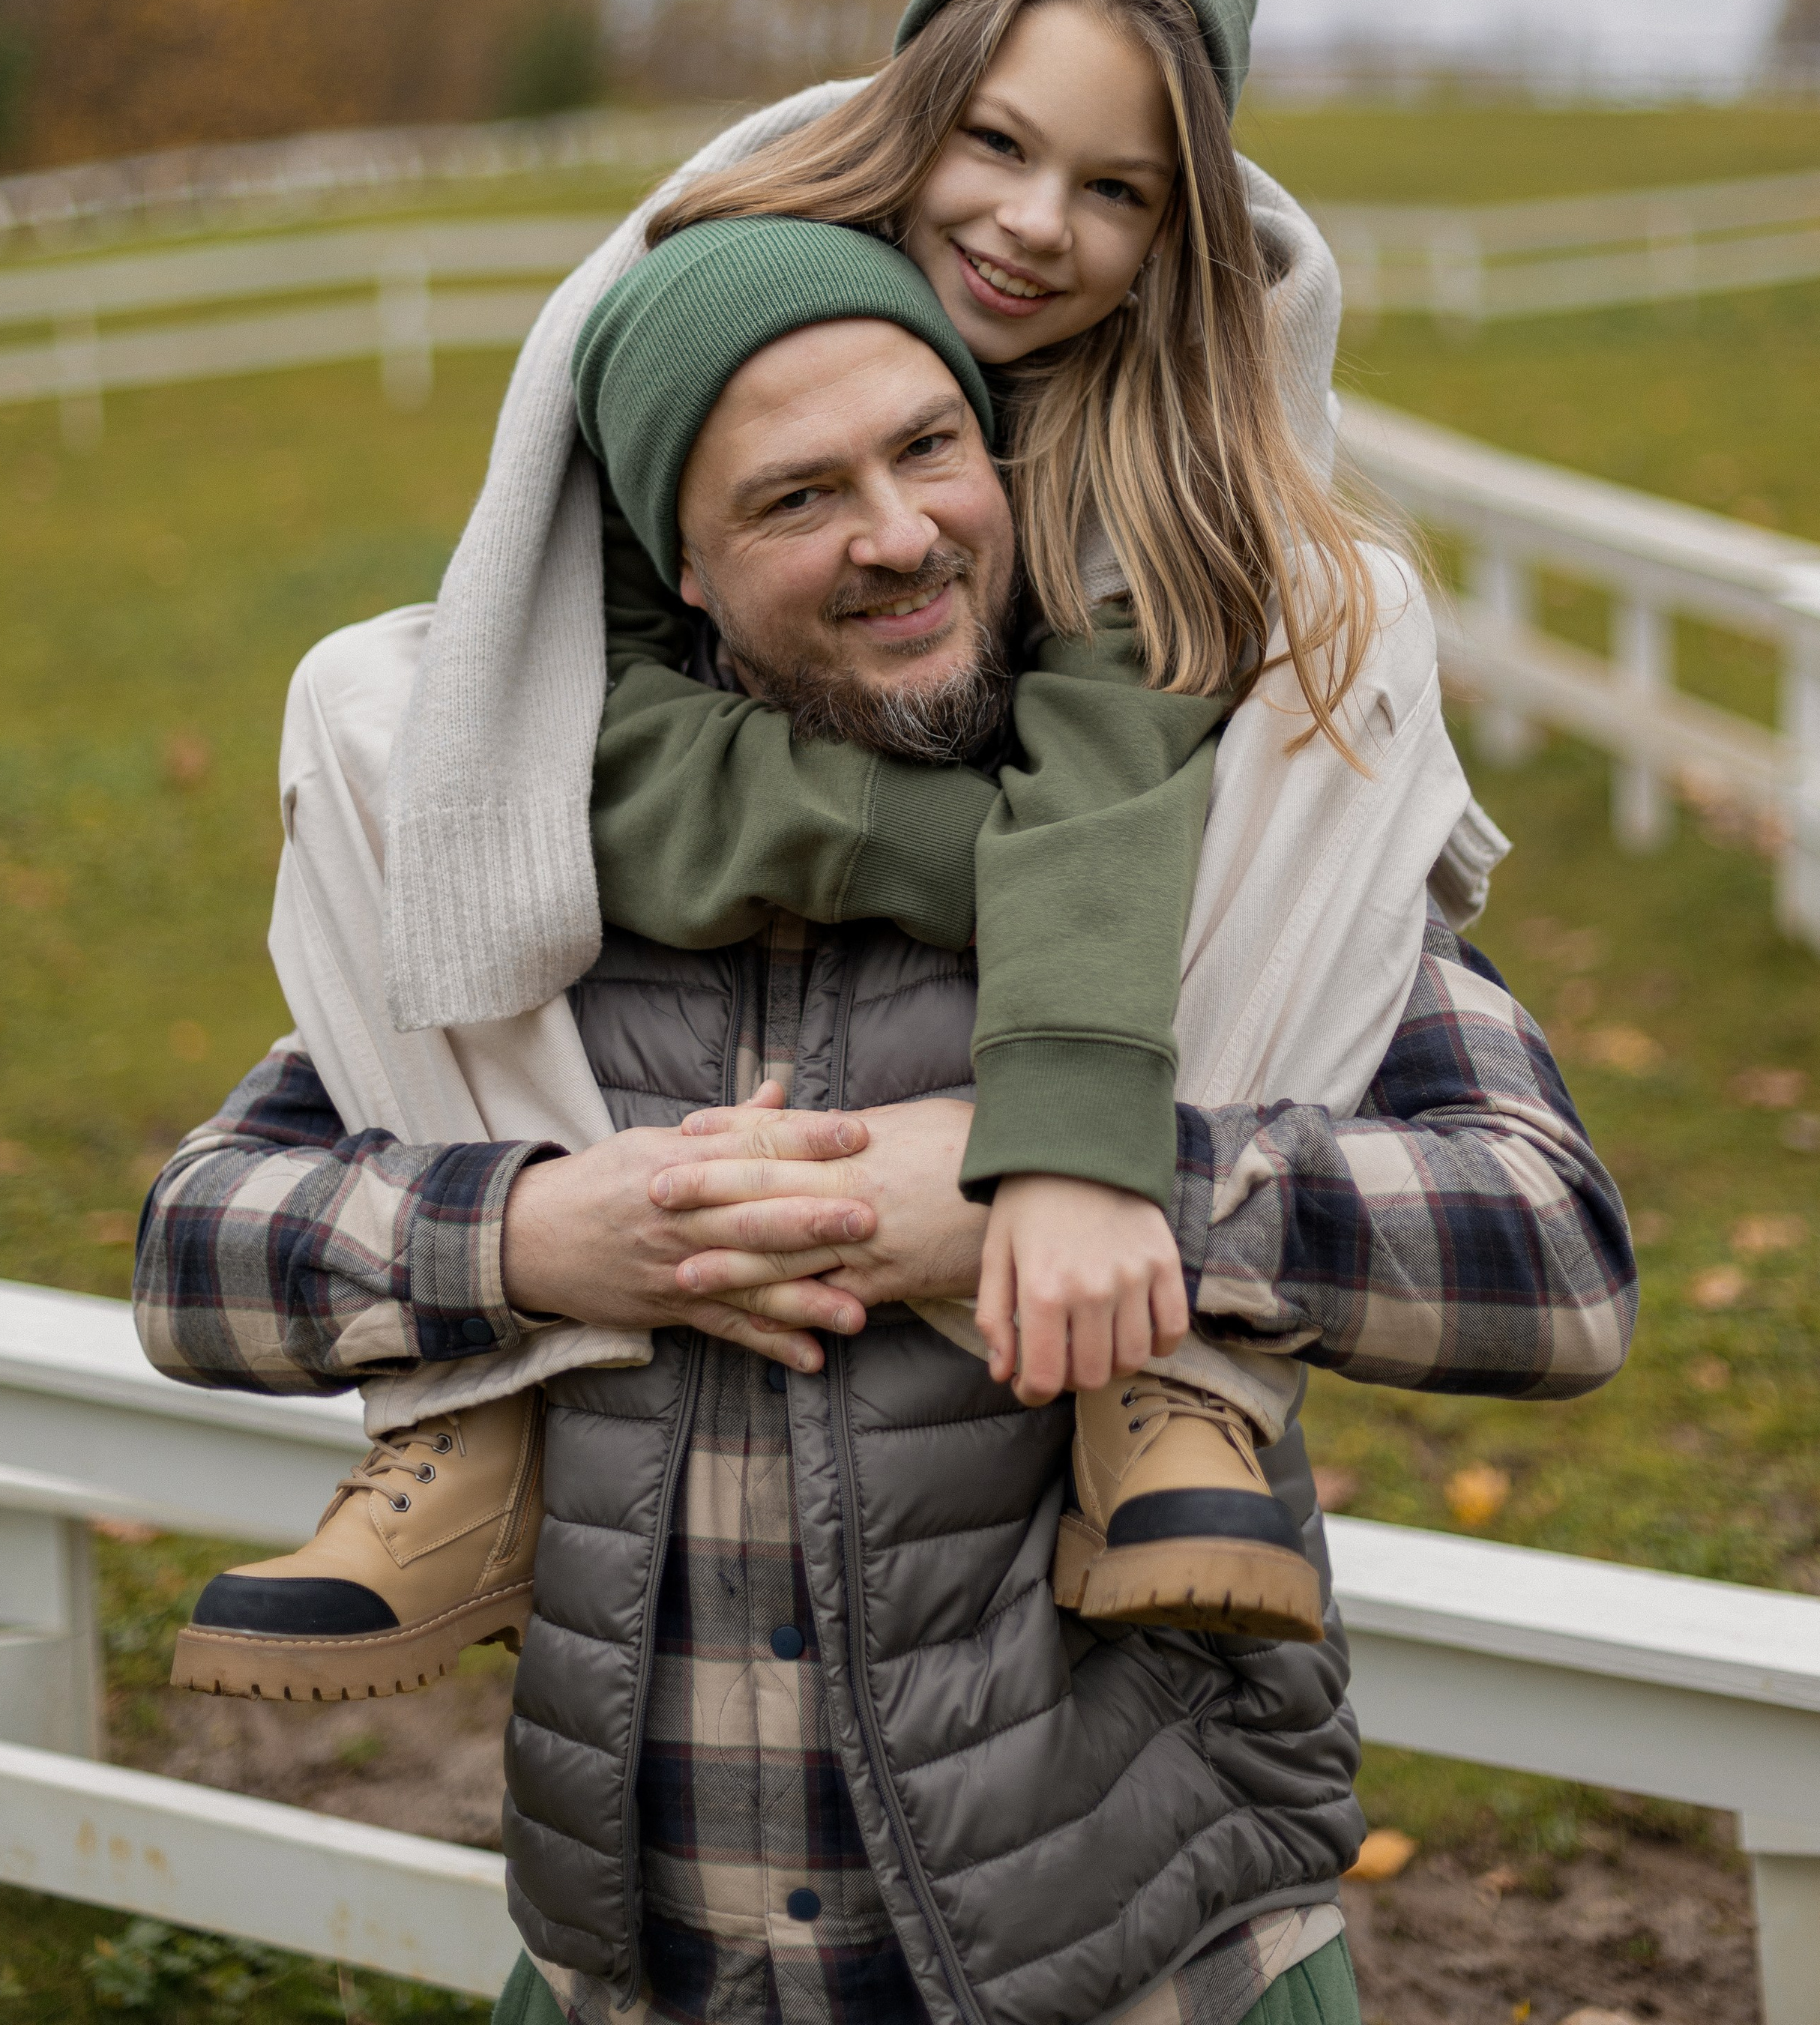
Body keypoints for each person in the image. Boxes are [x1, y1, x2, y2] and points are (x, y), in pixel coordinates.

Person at [136, 280, 1636, 2025]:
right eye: (795, 496)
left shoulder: (1195, 825)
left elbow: (1551, 1255)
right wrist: (537, 1238)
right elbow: (195, 1246)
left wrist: (1054, 1179)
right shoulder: (530, 868)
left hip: (1150, 1975)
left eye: (930, 449)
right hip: (640, 1974)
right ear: (673, 562)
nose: (900, 533)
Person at [185, 0, 1514, 1677]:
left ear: (1174, 231)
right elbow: (570, 696)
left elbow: (1122, 794)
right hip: (755, 908)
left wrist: (1057, 1150)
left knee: (1342, 609)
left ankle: (1173, 1388)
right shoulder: (704, 307)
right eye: (998, 144)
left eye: (1115, 189)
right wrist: (955, 846)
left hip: (1129, 1005)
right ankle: (467, 1413)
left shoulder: (1165, 436)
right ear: (916, 111)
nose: (1038, 224)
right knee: (358, 688)